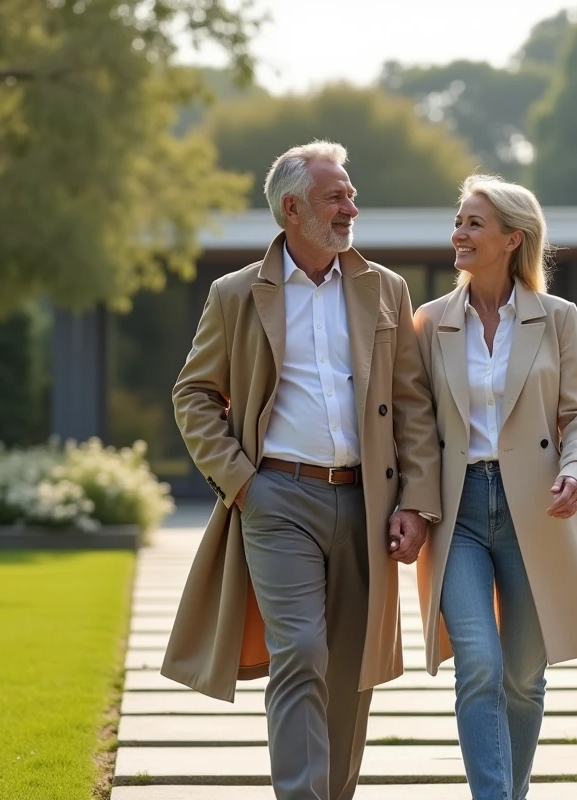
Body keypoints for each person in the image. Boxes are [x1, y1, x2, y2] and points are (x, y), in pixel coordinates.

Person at [159, 140, 441, 800]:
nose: (352, 207)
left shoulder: (386, 290)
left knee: (350, 669)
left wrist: (416, 500)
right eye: (335, 197)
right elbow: (193, 394)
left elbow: (412, 405)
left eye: (350, 194)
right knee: (301, 657)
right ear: (292, 209)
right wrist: (242, 483)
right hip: (276, 499)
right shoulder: (235, 295)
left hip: (368, 504)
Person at [412, 174, 577, 800]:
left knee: (524, 675)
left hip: (537, 509)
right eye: (458, 221)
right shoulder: (429, 322)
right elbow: (415, 428)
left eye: (473, 223)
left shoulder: (557, 319)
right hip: (458, 510)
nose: (459, 234)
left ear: (511, 238)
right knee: (479, 663)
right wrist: (412, 504)